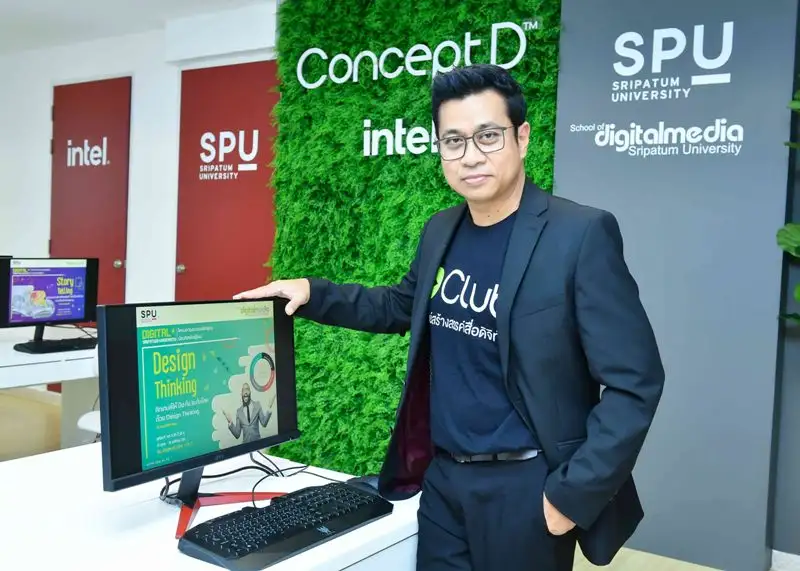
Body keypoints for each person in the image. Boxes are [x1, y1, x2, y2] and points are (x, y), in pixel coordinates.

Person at [234, 64, 665, 571]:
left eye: (488, 136)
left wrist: (570, 496)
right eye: (453, 141)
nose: (471, 155)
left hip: (527, 488)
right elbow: (400, 305)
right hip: (444, 481)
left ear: (522, 137)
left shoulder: (579, 235)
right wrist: (313, 293)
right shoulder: (441, 230)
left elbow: (636, 382)